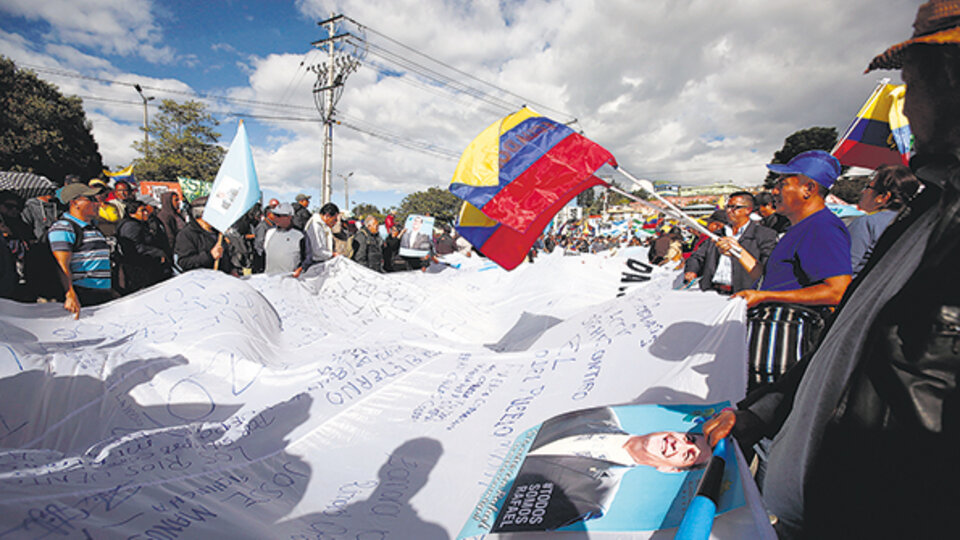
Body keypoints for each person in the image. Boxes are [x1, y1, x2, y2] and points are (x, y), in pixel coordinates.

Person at [705, 3, 960, 537]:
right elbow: (849, 344)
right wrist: (761, 412)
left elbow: (836, 292)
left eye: (911, 85)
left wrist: (768, 300)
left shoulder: (826, 228)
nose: (907, 112)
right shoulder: (922, 219)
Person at [493, 407, 710, 532]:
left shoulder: (592, 499)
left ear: (669, 470)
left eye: (688, 454)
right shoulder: (599, 413)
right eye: (688, 438)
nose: (678, 444)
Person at [732, 151, 852, 309]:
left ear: (808, 189)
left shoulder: (822, 226)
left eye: (782, 184)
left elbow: (838, 291)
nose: (774, 191)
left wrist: (765, 296)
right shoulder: (799, 227)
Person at [685, 193, 778, 294]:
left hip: (743, 294)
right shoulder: (717, 235)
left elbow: (768, 266)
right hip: (712, 291)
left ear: (748, 210)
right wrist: (691, 270)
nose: (729, 211)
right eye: (728, 207)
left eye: (734, 207)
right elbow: (697, 256)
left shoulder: (764, 235)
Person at [47, 183, 115, 318]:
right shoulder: (64, 227)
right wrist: (70, 294)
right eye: (92, 199)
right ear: (74, 203)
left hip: (101, 295)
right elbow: (61, 265)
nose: (98, 204)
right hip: (83, 295)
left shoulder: (93, 228)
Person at [847, 164, 919, 276]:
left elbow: (840, 271)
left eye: (868, 187)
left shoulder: (867, 224)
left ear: (883, 197)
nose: (863, 192)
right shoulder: (909, 225)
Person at [115, 195, 171, 293]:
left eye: (146, 210)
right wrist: (157, 252)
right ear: (132, 213)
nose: (146, 213)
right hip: (136, 268)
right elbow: (135, 247)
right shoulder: (131, 226)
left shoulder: (139, 224)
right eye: (142, 211)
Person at [174, 196, 235, 275]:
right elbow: (184, 262)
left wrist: (231, 269)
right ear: (201, 214)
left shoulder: (218, 232)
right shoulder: (186, 234)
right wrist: (210, 255)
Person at [262, 203, 305, 276]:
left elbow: (306, 258)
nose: (275, 218)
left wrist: (300, 269)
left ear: (289, 217)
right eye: (274, 214)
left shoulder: (299, 236)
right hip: (270, 279)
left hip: (289, 280)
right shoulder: (269, 233)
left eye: (278, 215)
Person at [302, 202, 340, 272]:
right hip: (315, 264)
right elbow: (317, 250)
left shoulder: (322, 226)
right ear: (327, 216)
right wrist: (332, 255)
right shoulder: (316, 226)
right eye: (334, 220)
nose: (335, 223)